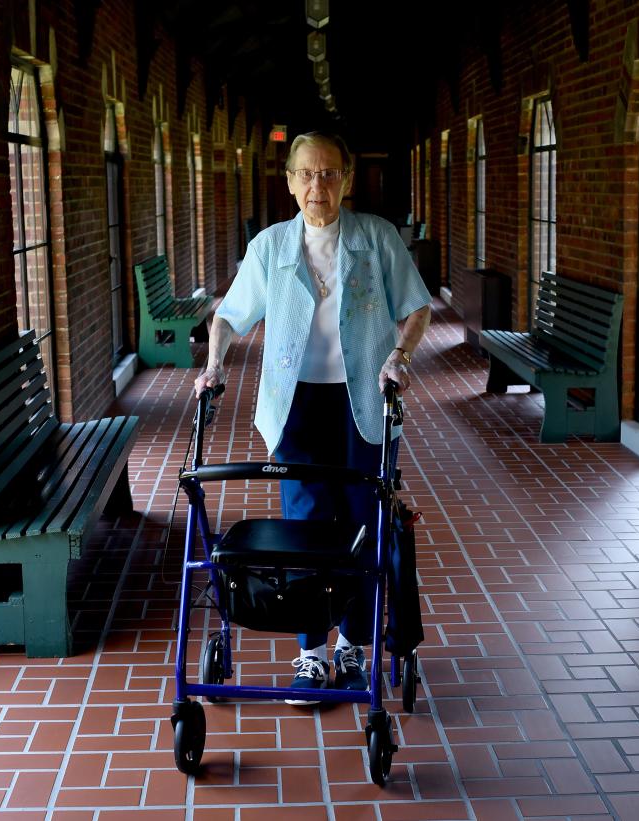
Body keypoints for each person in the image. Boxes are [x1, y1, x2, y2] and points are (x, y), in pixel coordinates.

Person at [193, 131, 432, 704]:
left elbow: (417, 307)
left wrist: (400, 355)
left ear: (346, 180)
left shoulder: (376, 239)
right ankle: (311, 655)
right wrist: (216, 361)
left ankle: (350, 644)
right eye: (306, 174)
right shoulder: (271, 247)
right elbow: (229, 314)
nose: (317, 186)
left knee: (360, 522)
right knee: (303, 528)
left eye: (328, 174)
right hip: (295, 405)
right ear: (290, 180)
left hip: (363, 402)